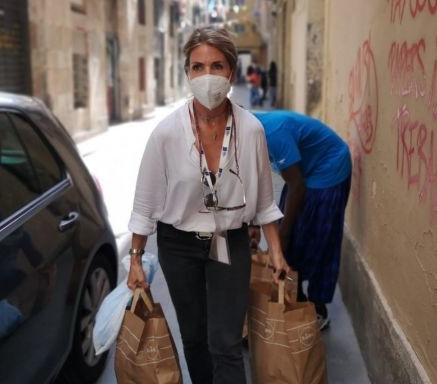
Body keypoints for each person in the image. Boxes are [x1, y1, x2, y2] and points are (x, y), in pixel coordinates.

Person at [126, 26, 291, 384]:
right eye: (198, 67)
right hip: (178, 244)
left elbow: (264, 201)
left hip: (229, 242)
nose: (207, 76)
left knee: (226, 341)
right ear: (187, 73)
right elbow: (145, 202)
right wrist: (135, 258)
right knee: (195, 337)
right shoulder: (167, 133)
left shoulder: (251, 131)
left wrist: (276, 251)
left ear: (231, 72)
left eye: (217, 66)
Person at [251, 110, 351, 331]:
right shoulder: (245, 134)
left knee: (317, 238)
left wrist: (282, 235)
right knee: (292, 234)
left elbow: (298, 187)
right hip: (303, 173)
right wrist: (252, 224)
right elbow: (254, 182)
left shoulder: (274, 134)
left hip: (329, 168)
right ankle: (296, 296)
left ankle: (317, 308)